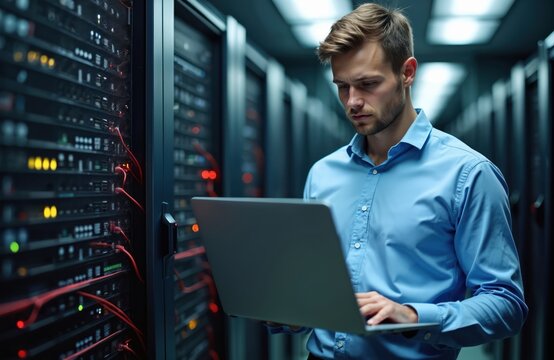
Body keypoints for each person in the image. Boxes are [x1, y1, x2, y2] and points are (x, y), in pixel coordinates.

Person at [267, 2, 528, 359]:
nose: (352, 102)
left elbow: (506, 304)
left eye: (368, 84)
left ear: (407, 73)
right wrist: (292, 309)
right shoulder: (322, 173)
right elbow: (314, 286)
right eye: (342, 86)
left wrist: (413, 316)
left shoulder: (468, 174)